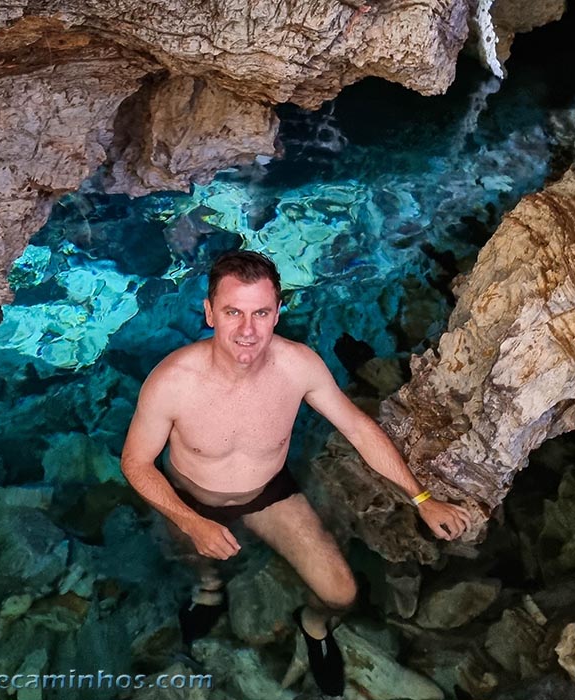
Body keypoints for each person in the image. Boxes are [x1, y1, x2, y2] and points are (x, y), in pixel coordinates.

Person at [121, 250, 471, 697]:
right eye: (233, 312)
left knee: (342, 593)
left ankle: (314, 624)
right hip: (188, 497)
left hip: (269, 494)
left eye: (261, 313)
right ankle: (209, 590)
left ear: (277, 313)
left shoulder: (298, 365)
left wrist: (422, 498)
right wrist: (191, 521)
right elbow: (135, 463)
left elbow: (359, 428)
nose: (248, 331)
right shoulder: (172, 381)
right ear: (209, 313)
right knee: (197, 556)